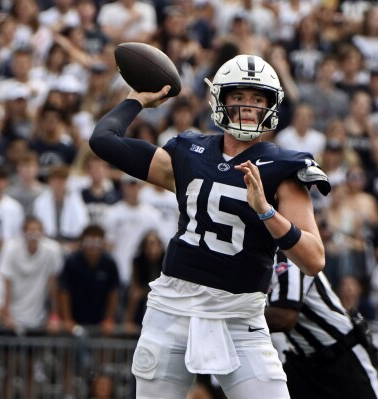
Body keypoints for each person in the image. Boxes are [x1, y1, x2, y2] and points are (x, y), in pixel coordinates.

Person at [90, 54, 329, 398]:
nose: (249, 106)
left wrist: (266, 211)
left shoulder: (285, 167)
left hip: (239, 315)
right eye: (239, 97)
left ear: (271, 105)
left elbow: (314, 259)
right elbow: (104, 140)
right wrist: (136, 99)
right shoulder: (189, 151)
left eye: (258, 99)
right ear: (220, 100)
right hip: (172, 307)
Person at [266, 253, 378, 399]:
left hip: (341, 354)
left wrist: (236, 319)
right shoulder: (254, 261)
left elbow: (284, 316)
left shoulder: (288, 256)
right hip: (304, 359)